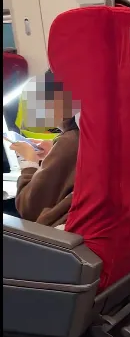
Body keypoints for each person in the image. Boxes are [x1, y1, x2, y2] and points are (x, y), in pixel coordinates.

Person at [10, 73, 80, 227]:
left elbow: (28, 209)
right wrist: (53, 152)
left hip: (59, 235)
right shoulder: (78, 136)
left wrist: (28, 163)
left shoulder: (70, 142)